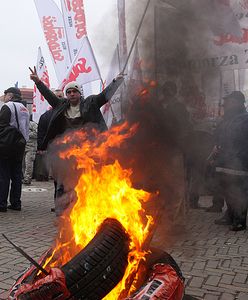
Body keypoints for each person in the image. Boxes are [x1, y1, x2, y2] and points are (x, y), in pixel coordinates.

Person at [29, 67, 124, 215]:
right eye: (69, 92)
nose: (72, 94)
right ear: (66, 95)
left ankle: (87, 209)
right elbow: (48, 95)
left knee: (87, 181)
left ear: (80, 93)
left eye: (75, 91)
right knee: (62, 183)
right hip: (66, 153)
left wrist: (116, 81)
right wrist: (38, 81)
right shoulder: (61, 105)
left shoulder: (90, 103)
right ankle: (61, 211)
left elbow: (105, 96)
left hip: (87, 152)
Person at [213, 91, 248, 231]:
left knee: (239, 191)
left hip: (240, 161)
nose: (225, 104)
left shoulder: (245, 119)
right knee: (228, 189)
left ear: (237, 102)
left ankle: (239, 220)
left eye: (229, 101)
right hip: (226, 161)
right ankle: (230, 215)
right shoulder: (228, 119)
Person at [0, 87, 29, 212]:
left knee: (3, 175)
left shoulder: (8, 106)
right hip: (20, 144)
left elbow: (1, 125)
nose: (4, 97)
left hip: (7, 145)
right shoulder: (25, 109)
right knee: (17, 175)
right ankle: (16, 203)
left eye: (5, 95)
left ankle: (2, 204)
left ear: (10, 96)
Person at [22, 116, 38, 185]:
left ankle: (27, 179)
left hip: (31, 147)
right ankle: (23, 177)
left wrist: (27, 134)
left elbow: (37, 134)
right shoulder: (21, 124)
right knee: (23, 164)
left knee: (28, 163)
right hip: (22, 146)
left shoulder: (33, 124)